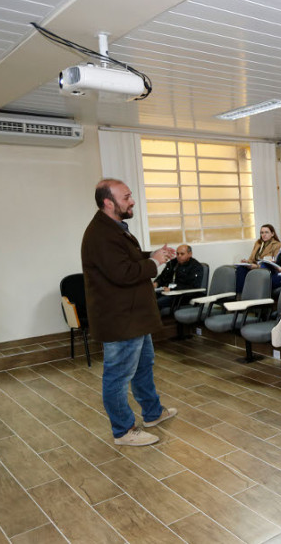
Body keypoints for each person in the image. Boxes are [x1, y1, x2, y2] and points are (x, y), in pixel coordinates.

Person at [81, 179, 178, 446]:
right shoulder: (101, 234)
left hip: (133, 317)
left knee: (143, 366)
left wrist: (153, 254)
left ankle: (152, 413)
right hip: (121, 319)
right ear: (108, 202)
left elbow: (127, 259)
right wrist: (154, 262)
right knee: (118, 376)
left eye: (130, 195)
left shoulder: (113, 228)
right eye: (126, 197)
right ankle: (123, 430)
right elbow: (123, 273)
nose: (132, 201)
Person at [153, 244, 203, 310]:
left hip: (183, 296)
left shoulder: (196, 267)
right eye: (177, 254)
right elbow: (163, 277)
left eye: (182, 254)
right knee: (147, 299)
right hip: (167, 292)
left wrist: (173, 289)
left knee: (155, 303)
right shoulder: (172, 263)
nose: (179, 256)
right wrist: (156, 283)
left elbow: (193, 286)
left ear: (190, 254)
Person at [236, 224, 281, 293]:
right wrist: (247, 262)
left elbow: (275, 262)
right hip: (254, 267)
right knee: (240, 268)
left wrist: (257, 266)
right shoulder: (258, 243)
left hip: (265, 268)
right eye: (262, 233)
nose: (264, 235)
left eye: (266, 232)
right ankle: (241, 294)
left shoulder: (277, 245)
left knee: (258, 270)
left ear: (272, 234)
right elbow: (252, 259)